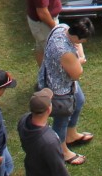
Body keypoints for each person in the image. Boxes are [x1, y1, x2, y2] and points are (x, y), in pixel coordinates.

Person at [40, 17, 94, 165]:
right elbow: (76, 73)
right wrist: (80, 60)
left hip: (61, 80)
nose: (84, 42)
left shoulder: (62, 28)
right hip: (59, 89)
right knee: (62, 119)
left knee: (79, 101)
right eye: (83, 39)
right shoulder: (65, 53)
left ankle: (71, 134)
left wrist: (80, 55)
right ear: (76, 36)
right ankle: (62, 150)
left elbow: (77, 47)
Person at [16, 90, 68, 176]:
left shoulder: (23, 120)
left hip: (32, 168)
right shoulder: (49, 141)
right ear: (48, 109)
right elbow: (59, 170)